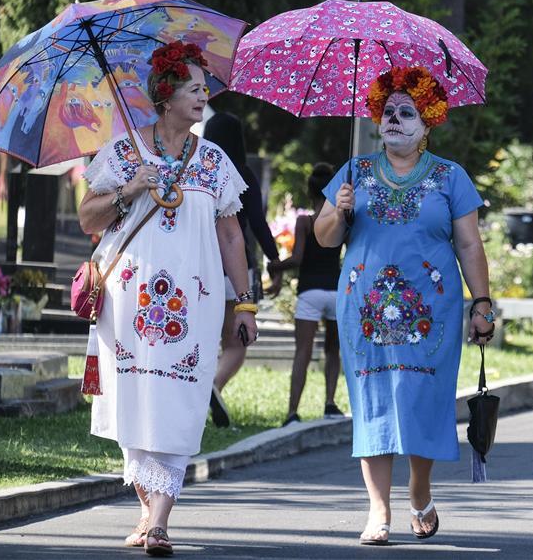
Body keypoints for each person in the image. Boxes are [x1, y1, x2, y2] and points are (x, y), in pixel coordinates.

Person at [78, 41, 258, 556]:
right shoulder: (122, 150)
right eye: (194, 88)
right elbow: (89, 218)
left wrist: (243, 302)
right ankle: (147, 511)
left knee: (180, 401)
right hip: (125, 302)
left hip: (193, 305)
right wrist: (130, 187)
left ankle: (158, 521)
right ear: (165, 95)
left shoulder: (215, 161)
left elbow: (231, 236)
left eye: (205, 88)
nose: (205, 95)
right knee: (133, 402)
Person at [314, 66, 495, 545]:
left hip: (431, 313)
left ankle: (419, 488)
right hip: (366, 310)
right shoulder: (352, 173)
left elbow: (471, 246)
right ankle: (378, 511)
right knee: (373, 401)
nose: (394, 119)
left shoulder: (450, 177)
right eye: (388, 111)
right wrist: (339, 209)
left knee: (420, 399)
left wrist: (482, 303)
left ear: (428, 122)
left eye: (407, 112)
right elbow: (324, 237)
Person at [204, 112, 282, 427]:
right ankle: (215, 386)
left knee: (205, 338)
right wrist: (275, 262)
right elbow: (259, 226)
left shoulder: (201, 172)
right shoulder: (245, 175)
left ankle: (205, 391)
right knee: (236, 343)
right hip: (238, 270)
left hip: (204, 266)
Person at [268, 163, 344, 427]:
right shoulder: (340, 219)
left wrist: (274, 265)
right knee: (333, 352)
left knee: (303, 352)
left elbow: (298, 258)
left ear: (309, 192)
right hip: (335, 291)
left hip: (310, 292)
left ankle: (292, 412)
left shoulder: (306, 222)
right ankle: (330, 404)